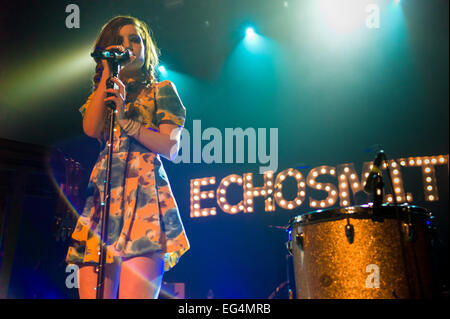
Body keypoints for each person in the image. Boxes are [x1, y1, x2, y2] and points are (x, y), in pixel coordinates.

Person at [65, 16, 190, 299]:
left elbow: (171, 147)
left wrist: (125, 120)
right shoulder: (104, 93)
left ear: (145, 47)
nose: (128, 46)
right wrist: (109, 76)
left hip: (144, 199)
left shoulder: (162, 90)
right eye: (119, 42)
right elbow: (91, 128)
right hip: (102, 198)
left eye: (135, 39)